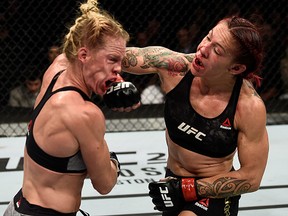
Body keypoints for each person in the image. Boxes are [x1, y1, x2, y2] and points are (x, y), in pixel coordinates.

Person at [122, 16, 269, 216]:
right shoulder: (175, 69)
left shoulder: (248, 106)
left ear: (235, 68)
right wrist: (111, 80)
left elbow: (252, 177)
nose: (203, 49)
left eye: (217, 50)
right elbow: (117, 57)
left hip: (214, 192)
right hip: (172, 181)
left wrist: (188, 189)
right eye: (208, 38)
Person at [4, 0, 140, 215]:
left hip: (20, 205)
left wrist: (110, 71)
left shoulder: (57, 67)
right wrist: (112, 159)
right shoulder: (84, 114)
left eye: (121, 62)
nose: (119, 69)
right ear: (84, 55)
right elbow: (104, 184)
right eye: (113, 60)